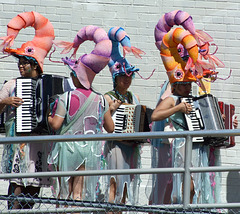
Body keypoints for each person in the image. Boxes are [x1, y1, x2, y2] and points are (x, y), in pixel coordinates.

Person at [149, 10, 237, 205]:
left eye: (190, 84)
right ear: (175, 85)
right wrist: (177, 109)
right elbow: (155, 115)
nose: (189, 87)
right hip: (179, 147)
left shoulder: (196, 100)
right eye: (185, 84)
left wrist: (225, 121)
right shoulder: (172, 99)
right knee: (184, 185)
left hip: (196, 147)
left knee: (194, 186)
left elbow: (206, 120)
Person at [47, 25, 114, 202]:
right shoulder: (101, 100)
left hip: (67, 148)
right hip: (89, 150)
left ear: (79, 76)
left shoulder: (66, 97)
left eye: (73, 73)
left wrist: (48, 116)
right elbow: (110, 127)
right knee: (79, 194)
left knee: (64, 194)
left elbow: (55, 125)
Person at [0, 11, 55, 209]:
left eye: (25, 62)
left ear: (36, 65)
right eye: (20, 62)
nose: (21, 65)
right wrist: (5, 102)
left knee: (33, 188)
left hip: (38, 144)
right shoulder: (11, 85)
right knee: (17, 185)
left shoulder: (47, 85)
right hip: (18, 143)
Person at [103, 27, 145, 205]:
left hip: (131, 146)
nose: (127, 80)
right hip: (116, 146)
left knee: (126, 185)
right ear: (115, 78)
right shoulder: (107, 97)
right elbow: (107, 126)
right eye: (122, 77)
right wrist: (111, 109)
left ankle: (120, 209)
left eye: (129, 77)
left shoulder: (134, 97)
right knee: (114, 183)